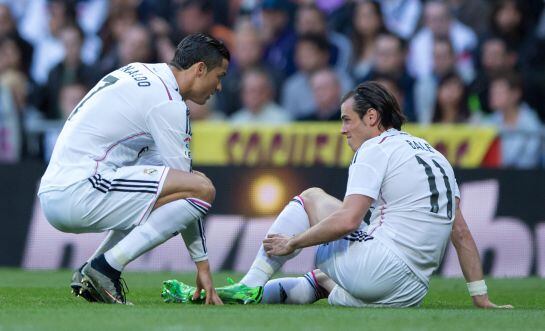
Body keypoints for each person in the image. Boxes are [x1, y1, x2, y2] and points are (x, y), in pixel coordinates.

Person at [165, 82, 512, 309]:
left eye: (347, 120)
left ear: (372, 117)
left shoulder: (375, 148)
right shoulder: (434, 154)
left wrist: (294, 242)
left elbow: (346, 221)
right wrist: (480, 297)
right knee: (323, 281)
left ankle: (250, 284)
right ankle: (233, 297)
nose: (343, 130)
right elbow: (461, 233)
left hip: (380, 271)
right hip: (410, 294)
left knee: (313, 196)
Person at [37, 33, 229, 305]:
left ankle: (91, 269)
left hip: (57, 189)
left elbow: (170, 187)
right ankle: (105, 268)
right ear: (200, 69)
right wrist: (203, 264)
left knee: (170, 194)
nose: (219, 86)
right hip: (82, 187)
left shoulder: (140, 72)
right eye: (219, 76)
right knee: (201, 187)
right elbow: (192, 192)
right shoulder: (167, 102)